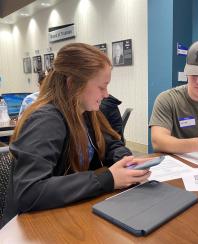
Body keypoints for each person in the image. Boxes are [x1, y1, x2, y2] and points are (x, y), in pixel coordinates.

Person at [2, 43, 150, 227]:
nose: (106, 94)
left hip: (69, 211)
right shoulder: (46, 120)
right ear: (72, 84)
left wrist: (126, 159)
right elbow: (30, 192)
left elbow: (111, 143)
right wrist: (107, 179)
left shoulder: (86, 111)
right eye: (102, 87)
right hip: (33, 226)